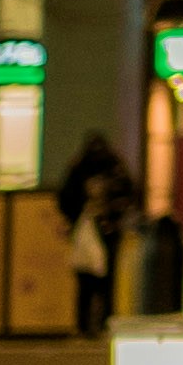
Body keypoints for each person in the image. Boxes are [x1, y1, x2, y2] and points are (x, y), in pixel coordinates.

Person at [51, 132, 140, 343]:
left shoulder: (81, 167)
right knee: (102, 281)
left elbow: (64, 198)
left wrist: (74, 219)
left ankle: (86, 325)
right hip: (103, 230)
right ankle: (100, 324)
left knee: (87, 281)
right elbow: (129, 194)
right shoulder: (113, 167)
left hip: (93, 229)